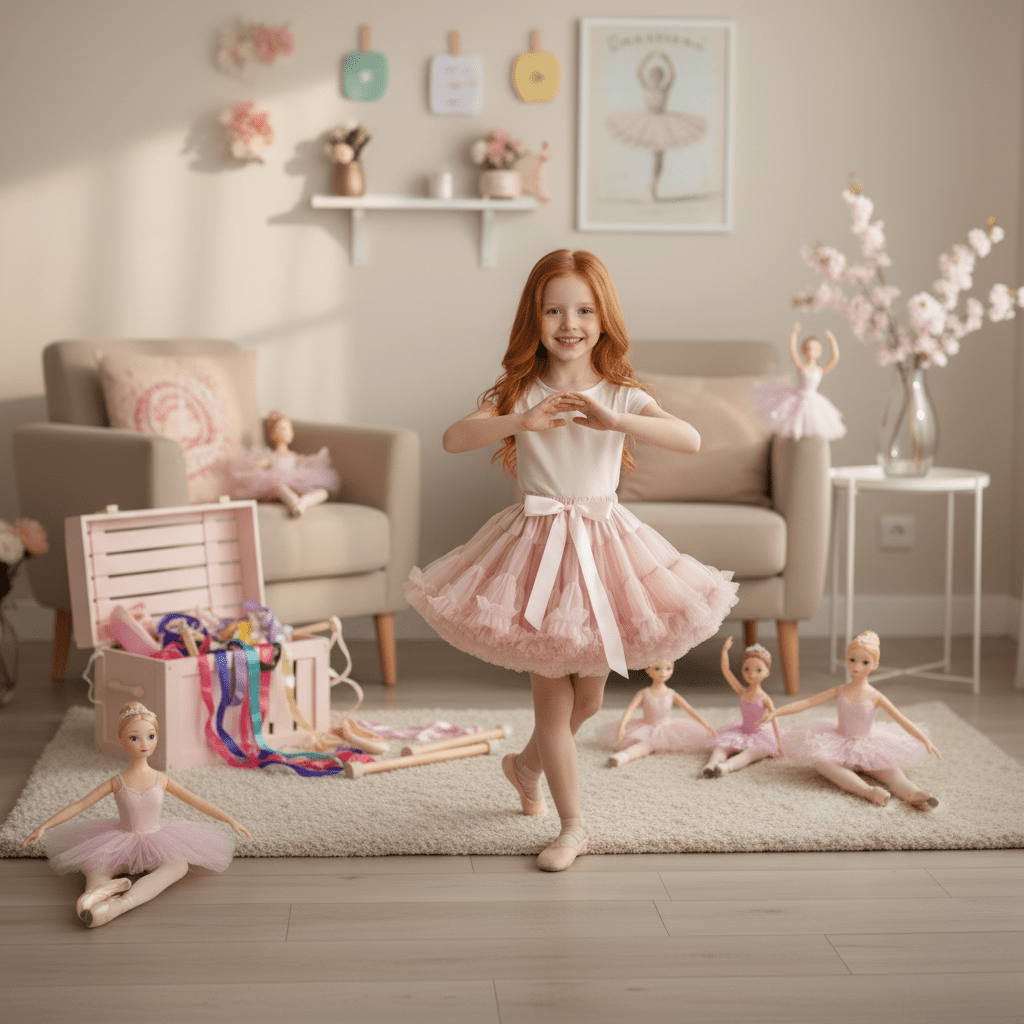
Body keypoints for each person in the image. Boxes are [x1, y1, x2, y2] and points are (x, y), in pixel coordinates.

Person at [405, 249, 738, 870]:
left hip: (603, 547)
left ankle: (524, 765)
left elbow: (690, 439)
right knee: (553, 701)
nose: (569, 323)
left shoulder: (622, 394)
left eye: (583, 310)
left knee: (587, 702)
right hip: (534, 549)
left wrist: (619, 419)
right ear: (534, 316)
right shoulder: (519, 391)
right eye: (554, 309)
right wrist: (521, 421)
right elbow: (455, 438)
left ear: (603, 318)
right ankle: (572, 826)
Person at [22, 701, 251, 927]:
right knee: (95, 864)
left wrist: (230, 819)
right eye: (134, 738)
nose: (144, 744)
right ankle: (96, 896)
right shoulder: (117, 781)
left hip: (156, 837)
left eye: (151, 736)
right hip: (121, 836)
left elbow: (197, 801)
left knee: (178, 865)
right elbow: (80, 805)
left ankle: (122, 904)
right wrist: (45, 825)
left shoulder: (162, 780)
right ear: (121, 741)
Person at [761, 631, 940, 808]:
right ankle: (868, 791)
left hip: (869, 745)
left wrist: (924, 739)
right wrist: (777, 711)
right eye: (852, 660)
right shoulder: (840, 690)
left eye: (865, 662)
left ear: (874, 665)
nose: (857, 666)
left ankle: (914, 794)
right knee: (823, 763)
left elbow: (902, 720)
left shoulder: (876, 696)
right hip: (838, 742)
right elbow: (808, 702)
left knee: (892, 771)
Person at [604, 51, 708, 201]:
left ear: (661, 77)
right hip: (647, 121)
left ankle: (654, 184)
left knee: (659, 156)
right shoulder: (645, 86)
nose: (656, 78)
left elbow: (673, 77)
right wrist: (646, 58)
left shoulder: (665, 89)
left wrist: (669, 61)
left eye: (658, 76)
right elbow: (639, 73)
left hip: (663, 121)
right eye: (653, 75)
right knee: (654, 154)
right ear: (650, 76)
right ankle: (652, 184)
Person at [606, 659, 717, 767]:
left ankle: (624, 756)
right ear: (648, 670)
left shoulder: (671, 693)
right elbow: (630, 710)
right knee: (648, 744)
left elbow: (690, 710)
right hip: (647, 727)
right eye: (657, 669)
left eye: (668, 668)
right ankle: (624, 756)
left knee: (651, 744)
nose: (663, 673)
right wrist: (622, 726)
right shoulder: (644, 693)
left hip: (666, 728)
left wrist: (706, 725)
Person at [229, 409, 339, 515]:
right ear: (272, 434)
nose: (286, 432)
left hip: (296, 481)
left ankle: (303, 503)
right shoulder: (272, 456)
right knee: (279, 487)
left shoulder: (294, 455)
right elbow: (260, 465)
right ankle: (294, 503)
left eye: (288, 428)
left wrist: (318, 458)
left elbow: (306, 461)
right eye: (282, 429)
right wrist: (253, 466)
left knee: (323, 492)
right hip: (278, 483)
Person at [702, 638, 785, 777]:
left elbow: (774, 720)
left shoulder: (765, 699)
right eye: (747, 669)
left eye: (758, 670)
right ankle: (711, 765)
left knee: (750, 754)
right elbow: (726, 671)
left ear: (766, 673)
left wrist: (779, 745)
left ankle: (725, 767)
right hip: (742, 730)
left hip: (760, 735)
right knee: (721, 746)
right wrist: (724, 651)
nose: (751, 674)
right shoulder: (742, 691)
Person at [751, 322, 846, 440]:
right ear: (803, 350)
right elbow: (793, 351)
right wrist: (793, 334)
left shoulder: (819, 370)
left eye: (814, 348)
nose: (811, 351)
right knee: (795, 423)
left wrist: (832, 341)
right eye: (808, 348)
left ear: (819, 351)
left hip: (812, 399)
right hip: (798, 397)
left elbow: (835, 358)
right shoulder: (802, 368)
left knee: (811, 423)